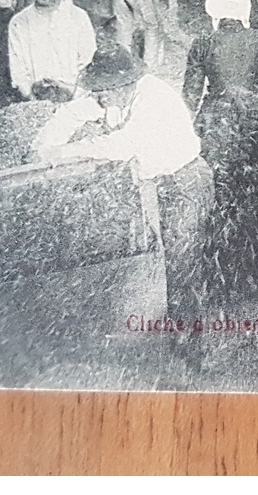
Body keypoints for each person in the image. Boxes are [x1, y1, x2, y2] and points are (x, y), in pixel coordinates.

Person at [32, 46, 213, 324]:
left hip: (185, 180)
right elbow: (69, 115)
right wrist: (43, 147)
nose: (97, 97)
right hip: (153, 180)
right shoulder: (113, 94)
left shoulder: (154, 98)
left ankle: (190, 338)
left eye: (101, 91)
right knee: (153, 254)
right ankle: (158, 318)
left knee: (181, 260)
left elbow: (122, 144)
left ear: (122, 84)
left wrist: (64, 153)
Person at [182, 0, 258, 301]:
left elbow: (190, 95)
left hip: (217, 120)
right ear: (244, 12)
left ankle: (224, 262)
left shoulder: (202, 43)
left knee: (224, 191)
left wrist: (186, 130)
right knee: (256, 187)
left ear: (215, 13)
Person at [7, 0, 97, 101]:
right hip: (37, 99)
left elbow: (88, 61)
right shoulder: (20, 22)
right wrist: (33, 100)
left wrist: (76, 96)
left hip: (76, 96)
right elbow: (18, 69)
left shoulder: (78, 17)